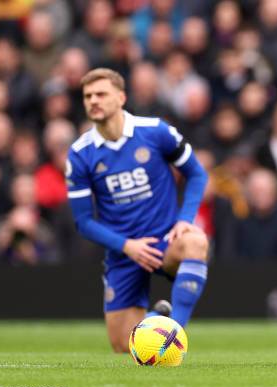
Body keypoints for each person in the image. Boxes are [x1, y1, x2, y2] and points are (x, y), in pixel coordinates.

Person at [66, 68, 209, 353]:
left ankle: (174, 331)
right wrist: (127, 246)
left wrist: (184, 220)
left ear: (121, 97)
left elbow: (197, 174)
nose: (93, 100)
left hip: (165, 239)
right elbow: (83, 221)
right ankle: (158, 317)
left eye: (101, 94)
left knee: (195, 241)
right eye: (88, 96)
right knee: (124, 346)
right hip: (124, 251)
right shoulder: (80, 153)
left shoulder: (155, 131)